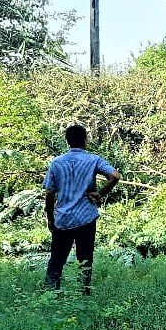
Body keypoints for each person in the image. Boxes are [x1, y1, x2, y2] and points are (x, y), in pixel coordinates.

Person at [43, 124, 121, 295]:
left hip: (63, 219)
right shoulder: (94, 160)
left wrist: (50, 219)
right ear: (85, 140)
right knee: (85, 260)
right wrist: (101, 193)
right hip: (86, 217)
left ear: (67, 141)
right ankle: (83, 294)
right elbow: (115, 176)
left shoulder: (56, 163)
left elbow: (49, 193)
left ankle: (50, 295)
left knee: (56, 260)